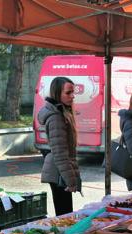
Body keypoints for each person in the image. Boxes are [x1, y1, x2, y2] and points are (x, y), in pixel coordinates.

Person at [38, 76, 81, 216]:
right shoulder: (56, 117)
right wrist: (71, 181)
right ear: (57, 93)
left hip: (59, 171)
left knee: (65, 214)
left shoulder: (62, 113)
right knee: (64, 215)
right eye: (68, 93)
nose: (72, 96)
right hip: (58, 172)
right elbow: (60, 153)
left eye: (73, 92)